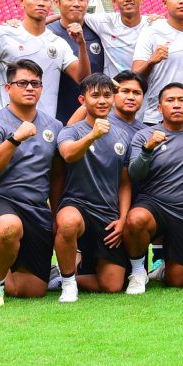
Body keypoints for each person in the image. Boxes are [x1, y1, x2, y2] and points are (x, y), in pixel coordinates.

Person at [0, 59, 64, 306]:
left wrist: (56, 214)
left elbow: (56, 176)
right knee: (8, 227)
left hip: (36, 208)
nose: (30, 88)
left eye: (35, 83)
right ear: (8, 88)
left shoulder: (54, 126)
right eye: (22, 83)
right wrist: (14, 139)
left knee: (30, 290)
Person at [123, 82, 183, 293]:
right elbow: (135, 173)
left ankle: (164, 269)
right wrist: (148, 149)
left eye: (182, 100)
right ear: (160, 108)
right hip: (154, 205)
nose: (176, 105)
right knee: (136, 219)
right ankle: (138, 272)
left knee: (178, 281)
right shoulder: (145, 135)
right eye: (170, 100)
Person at [54, 74, 131, 300]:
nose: (102, 101)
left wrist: (123, 219)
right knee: (67, 222)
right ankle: (68, 284)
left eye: (107, 95)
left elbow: (125, 182)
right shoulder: (71, 130)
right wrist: (92, 135)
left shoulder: (123, 135)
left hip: (107, 213)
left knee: (112, 285)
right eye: (95, 95)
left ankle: (62, 278)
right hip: (77, 205)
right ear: (82, 100)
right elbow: (68, 154)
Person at [0, 0, 88, 120]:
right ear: (21, 1)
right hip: (6, 123)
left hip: (46, 125)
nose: (41, 3)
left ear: (51, 2)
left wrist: (82, 44)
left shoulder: (58, 43)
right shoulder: (3, 35)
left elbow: (82, 78)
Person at [49, 0, 106, 123]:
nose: (76, 3)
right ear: (56, 2)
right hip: (57, 116)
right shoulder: (47, 33)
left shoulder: (100, 31)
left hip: (97, 117)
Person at [87, 0, 148, 75]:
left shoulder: (153, 25)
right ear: (114, 1)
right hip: (113, 85)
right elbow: (72, 16)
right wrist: (55, 18)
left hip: (145, 84)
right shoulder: (104, 22)